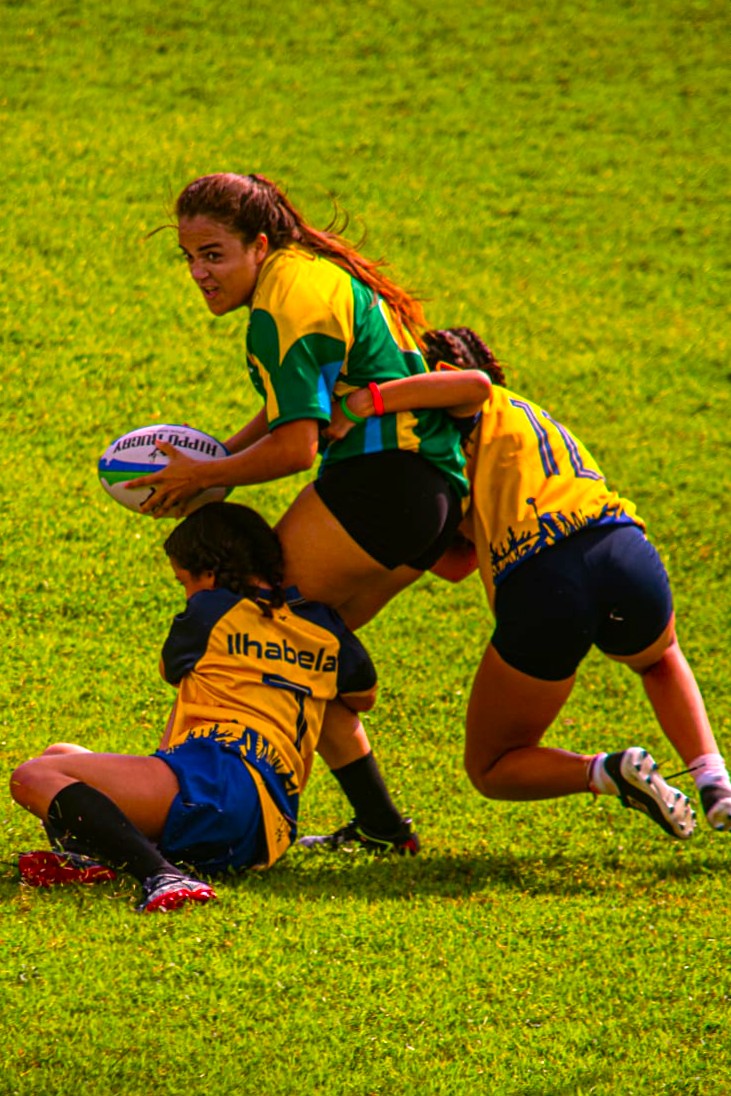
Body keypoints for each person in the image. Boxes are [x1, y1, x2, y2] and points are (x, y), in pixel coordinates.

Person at [123, 172, 483, 854]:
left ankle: (207, 814)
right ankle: (382, 827)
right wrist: (218, 457)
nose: (199, 273)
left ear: (259, 245)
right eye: (189, 257)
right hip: (430, 497)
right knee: (303, 652)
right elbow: (298, 403)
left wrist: (206, 475)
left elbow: (296, 447)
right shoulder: (308, 276)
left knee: (244, 622)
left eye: (213, 254)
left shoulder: (284, 304)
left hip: (380, 487)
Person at [301, 327, 731, 846]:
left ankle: (605, 770)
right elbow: (458, 562)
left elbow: (470, 390)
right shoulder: (526, 418)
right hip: (621, 547)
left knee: (493, 766)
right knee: (659, 658)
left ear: (439, 377)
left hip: (542, 577)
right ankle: (714, 779)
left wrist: (369, 408)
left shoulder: (458, 414)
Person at [10, 502, 378, 912]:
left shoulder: (212, 609)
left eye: (185, 582)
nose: (187, 594)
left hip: (218, 776)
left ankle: (161, 875)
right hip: (269, 827)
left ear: (211, 573)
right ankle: (105, 860)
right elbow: (362, 697)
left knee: (33, 776)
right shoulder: (323, 624)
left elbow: (172, 668)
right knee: (61, 755)